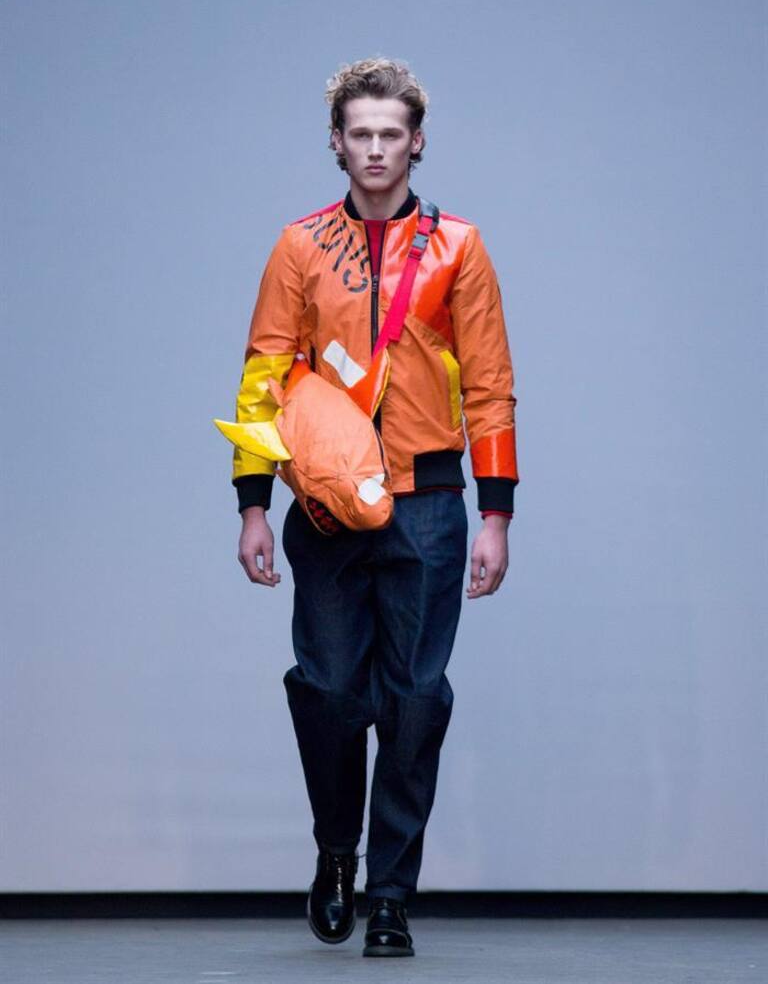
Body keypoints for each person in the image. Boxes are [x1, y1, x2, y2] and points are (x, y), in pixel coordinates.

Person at [227, 57, 519, 957]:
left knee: (415, 699)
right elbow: (264, 375)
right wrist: (251, 504)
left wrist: (497, 514)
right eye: (361, 133)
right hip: (323, 506)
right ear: (337, 142)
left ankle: (391, 894)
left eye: (392, 133)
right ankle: (334, 852)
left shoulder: (460, 247)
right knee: (327, 690)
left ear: (417, 141)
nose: (377, 148)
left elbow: (491, 384)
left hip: (429, 502)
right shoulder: (300, 245)